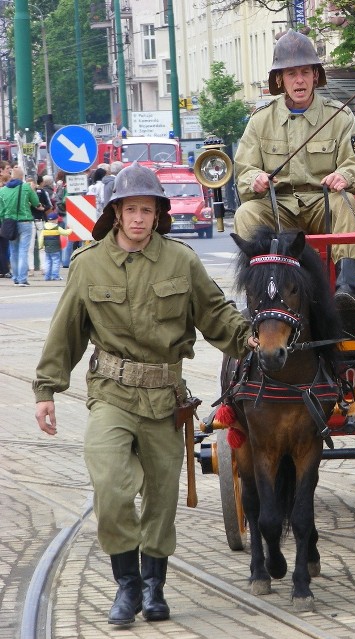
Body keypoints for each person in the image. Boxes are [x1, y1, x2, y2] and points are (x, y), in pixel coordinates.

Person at [32, 162, 258, 626]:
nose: (138, 218)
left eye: (147, 210)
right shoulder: (88, 263)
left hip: (164, 399)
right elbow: (65, 333)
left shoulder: (181, 260)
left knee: (161, 498)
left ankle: (154, 586)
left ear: (159, 214)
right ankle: (126, 586)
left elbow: (215, 314)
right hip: (111, 395)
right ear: (116, 213)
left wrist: (252, 338)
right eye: (130, 209)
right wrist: (46, 390)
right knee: (110, 487)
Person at [233, 29, 355, 330]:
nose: (300, 80)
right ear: (280, 79)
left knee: (347, 204)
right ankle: (255, 291)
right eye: (291, 73)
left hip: (324, 204)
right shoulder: (260, 121)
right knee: (245, 213)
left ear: (316, 76)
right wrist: (255, 179)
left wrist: (343, 175)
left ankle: (346, 290)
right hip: (279, 207)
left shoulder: (340, 117)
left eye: (306, 72)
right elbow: (244, 169)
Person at [0, 167, 41, 286]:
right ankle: (22, 279)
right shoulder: (26, 187)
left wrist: (3, 222)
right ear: (22, 177)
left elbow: (1, 211)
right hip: (25, 221)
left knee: (13, 251)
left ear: (12, 176)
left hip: (9, 223)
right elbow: (35, 202)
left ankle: (16, 278)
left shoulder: (2, 191)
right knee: (23, 250)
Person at [40, 210, 71, 281]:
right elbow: (65, 233)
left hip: (47, 249)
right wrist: (71, 229)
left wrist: (41, 246)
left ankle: (47, 276)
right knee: (56, 262)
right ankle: (55, 276)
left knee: (48, 262)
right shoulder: (57, 228)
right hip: (56, 249)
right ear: (56, 220)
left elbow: (41, 238)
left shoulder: (44, 228)